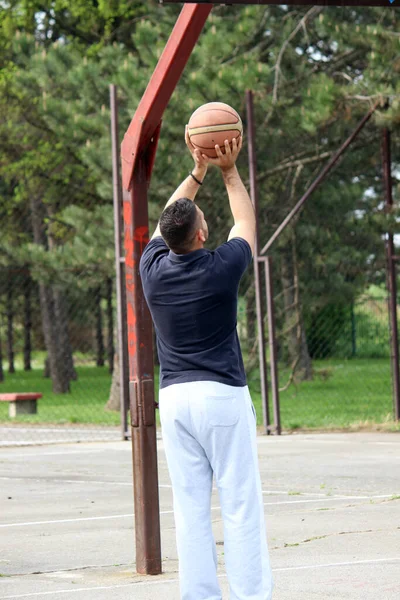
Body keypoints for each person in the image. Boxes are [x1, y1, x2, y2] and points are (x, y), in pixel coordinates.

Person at [139, 126, 273, 600]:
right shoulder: (222, 267)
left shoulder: (151, 270)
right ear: (200, 233)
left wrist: (196, 171)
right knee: (239, 502)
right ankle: (251, 595)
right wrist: (229, 170)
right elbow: (246, 222)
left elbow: (166, 220)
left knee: (190, 506)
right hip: (220, 396)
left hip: (175, 400)